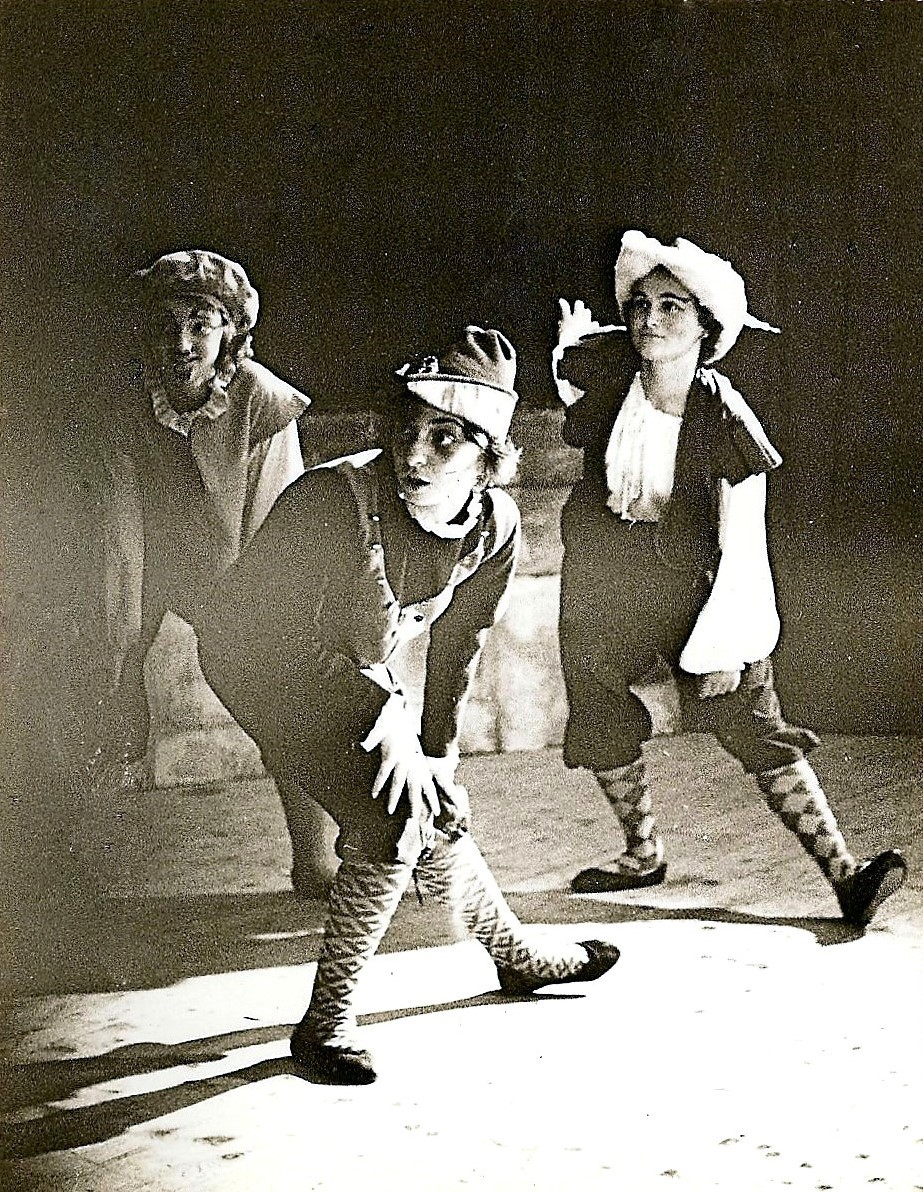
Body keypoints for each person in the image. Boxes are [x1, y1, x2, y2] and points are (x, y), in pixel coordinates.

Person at [196, 326, 621, 1084]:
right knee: (391, 816)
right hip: (257, 659)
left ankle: (516, 955)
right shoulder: (331, 501)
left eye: (445, 439)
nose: (414, 454)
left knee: (427, 792)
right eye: (410, 429)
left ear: (489, 457)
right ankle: (325, 1025)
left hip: (346, 668)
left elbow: (460, 642)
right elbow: (274, 637)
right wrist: (384, 715)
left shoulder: (494, 527)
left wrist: (434, 748)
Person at [552, 229, 907, 927]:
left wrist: (726, 648)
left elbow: (742, 545)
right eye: (640, 306)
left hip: (696, 585)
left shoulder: (724, 417)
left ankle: (845, 875)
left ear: (705, 327)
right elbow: (575, 385)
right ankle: (641, 853)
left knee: (750, 718)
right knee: (597, 707)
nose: (650, 320)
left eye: (671, 307)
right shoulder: (614, 385)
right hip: (606, 579)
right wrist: (568, 347)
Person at [90, 248, 338, 895]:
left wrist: (258, 631)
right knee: (96, 686)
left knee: (282, 702)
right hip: (155, 568)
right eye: (166, 326)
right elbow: (122, 539)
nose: (181, 344)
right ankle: (71, 863)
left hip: (242, 573)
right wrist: (121, 654)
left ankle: (316, 856)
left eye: (200, 325)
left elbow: (277, 529)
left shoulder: (259, 400)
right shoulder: (128, 408)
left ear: (229, 332)